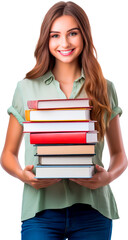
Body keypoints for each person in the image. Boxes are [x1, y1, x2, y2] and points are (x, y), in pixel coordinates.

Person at [0, 1, 127, 239]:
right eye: (55, 35)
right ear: (46, 40)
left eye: (73, 33)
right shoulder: (26, 88)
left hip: (93, 210)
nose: (65, 43)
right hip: (41, 211)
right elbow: (7, 154)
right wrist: (22, 174)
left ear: (84, 36)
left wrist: (107, 177)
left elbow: (120, 154)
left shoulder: (104, 88)